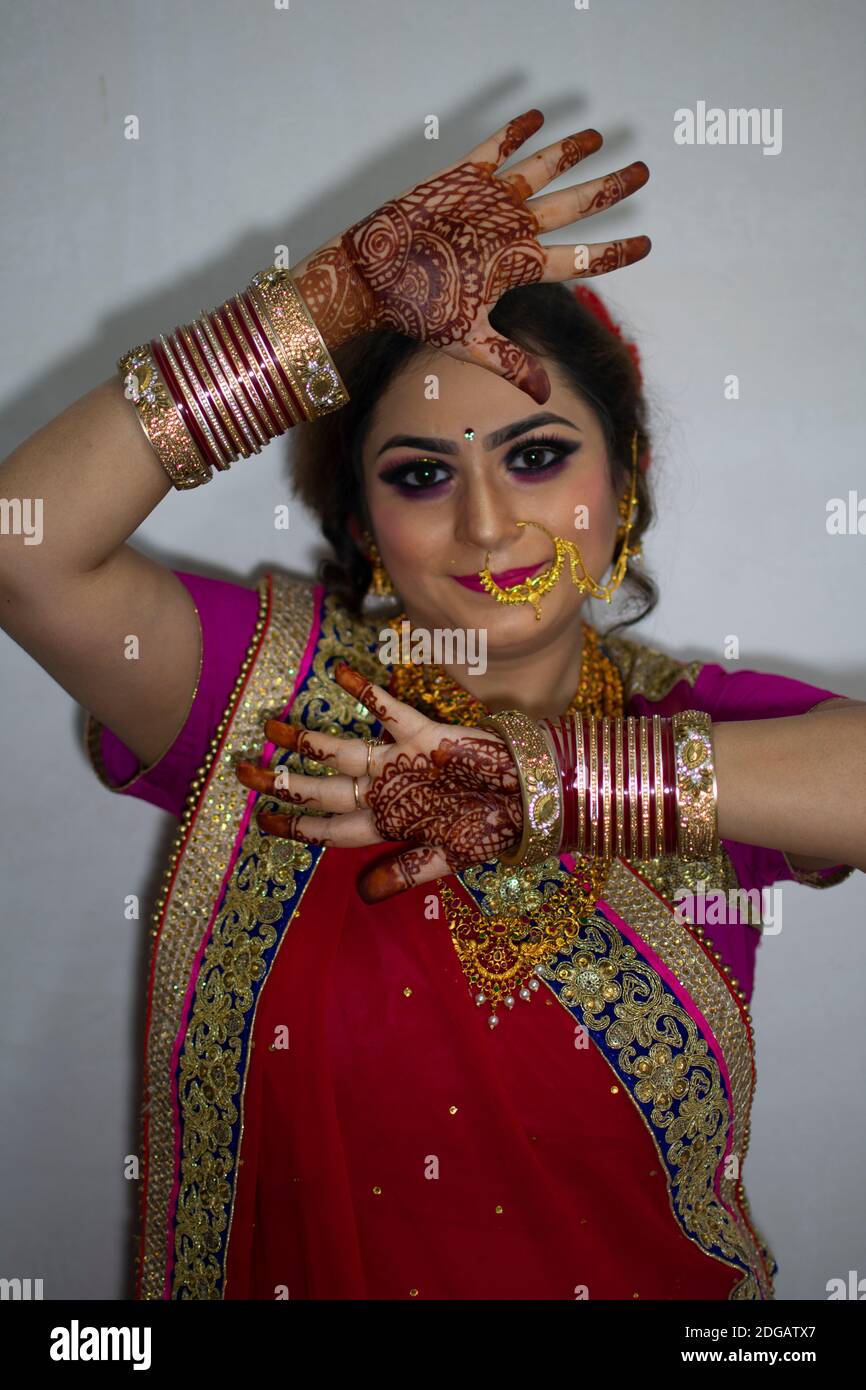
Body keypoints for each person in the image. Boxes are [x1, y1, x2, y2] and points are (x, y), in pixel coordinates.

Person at [1, 108, 863, 1303]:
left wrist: (541, 785)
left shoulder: (700, 733)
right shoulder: (272, 705)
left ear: (625, 485)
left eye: (536, 454)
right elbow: (24, 548)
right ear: (358, 520)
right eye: (419, 474)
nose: (483, 521)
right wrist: (320, 305)